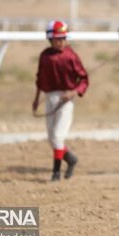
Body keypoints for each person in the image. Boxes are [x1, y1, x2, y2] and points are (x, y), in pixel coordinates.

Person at [32, 20, 89, 182]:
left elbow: (84, 79)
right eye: (58, 39)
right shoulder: (44, 56)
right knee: (52, 138)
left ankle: (56, 173)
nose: (61, 42)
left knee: (57, 136)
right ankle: (70, 158)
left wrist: (73, 93)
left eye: (63, 38)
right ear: (50, 39)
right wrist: (36, 100)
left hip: (66, 100)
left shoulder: (71, 56)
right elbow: (39, 79)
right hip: (50, 98)